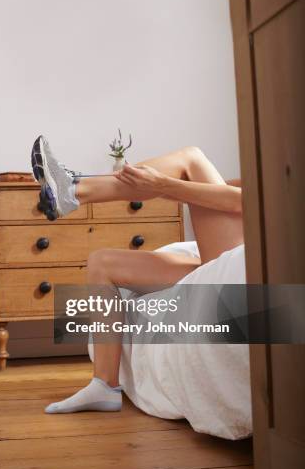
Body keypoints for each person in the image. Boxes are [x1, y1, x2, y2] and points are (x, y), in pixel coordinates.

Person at [31, 136, 243, 414]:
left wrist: (163, 184)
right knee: (101, 264)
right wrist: (153, 185)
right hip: (222, 253)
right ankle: (104, 386)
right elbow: (230, 193)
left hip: (250, 256)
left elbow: (244, 203)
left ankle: (75, 189)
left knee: (191, 157)